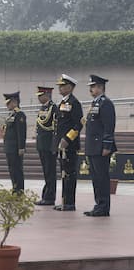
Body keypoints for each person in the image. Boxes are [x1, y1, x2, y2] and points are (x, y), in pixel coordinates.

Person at [84, 74, 116, 217]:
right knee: (96, 178)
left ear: (100, 87)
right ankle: (99, 205)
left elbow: (108, 126)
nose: (91, 89)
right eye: (90, 87)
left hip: (101, 147)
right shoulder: (95, 104)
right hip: (93, 146)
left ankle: (103, 206)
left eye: (93, 87)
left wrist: (107, 145)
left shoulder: (105, 103)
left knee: (102, 177)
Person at [53, 74, 83, 211]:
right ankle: (65, 201)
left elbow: (78, 125)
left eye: (63, 86)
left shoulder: (74, 103)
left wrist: (67, 139)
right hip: (61, 145)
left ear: (70, 87)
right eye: (59, 85)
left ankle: (70, 203)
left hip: (69, 145)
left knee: (69, 174)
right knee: (64, 173)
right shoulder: (63, 103)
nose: (60, 88)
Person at [34, 86, 58, 205]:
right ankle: (46, 195)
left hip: (49, 145)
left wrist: (54, 145)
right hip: (42, 144)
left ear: (47, 95)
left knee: (50, 171)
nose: (39, 98)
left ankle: (50, 197)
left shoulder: (53, 108)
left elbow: (55, 128)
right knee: (46, 171)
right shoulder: (43, 108)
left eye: (40, 95)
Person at [2, 91, 26, 192]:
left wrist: (21, 147)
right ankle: (15, 187)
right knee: (12, 169)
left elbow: (21, 133)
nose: (7, 105)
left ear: (14, 102)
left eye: (9, 103)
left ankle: (19, 190)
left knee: (17, 169)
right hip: (9, 147)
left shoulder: (19, 115)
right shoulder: (11, 115)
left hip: (15, 148)